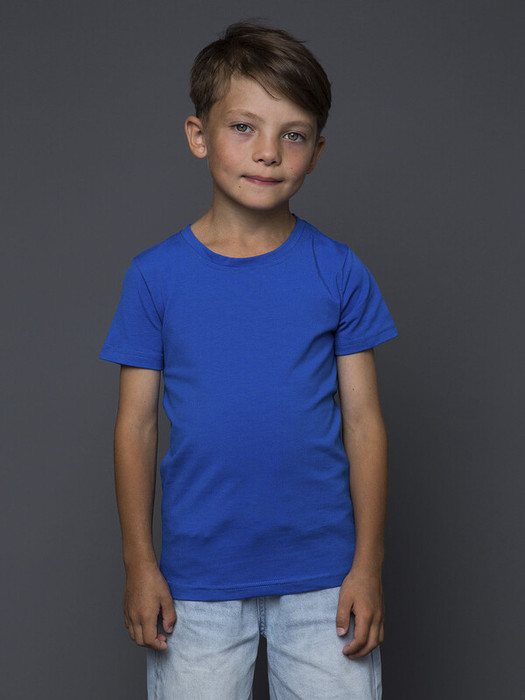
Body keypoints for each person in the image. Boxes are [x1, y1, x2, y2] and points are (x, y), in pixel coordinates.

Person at [100, 21, 398, 700]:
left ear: (316, 153)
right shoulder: (154, 277)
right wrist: (139, 564)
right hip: (195, 582)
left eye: (293, 134)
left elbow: (364, 425)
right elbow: (135, 426)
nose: (268, 152)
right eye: (243, 128)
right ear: (198, 134)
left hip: (326, 581)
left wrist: (368, 567)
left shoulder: (338, 271)